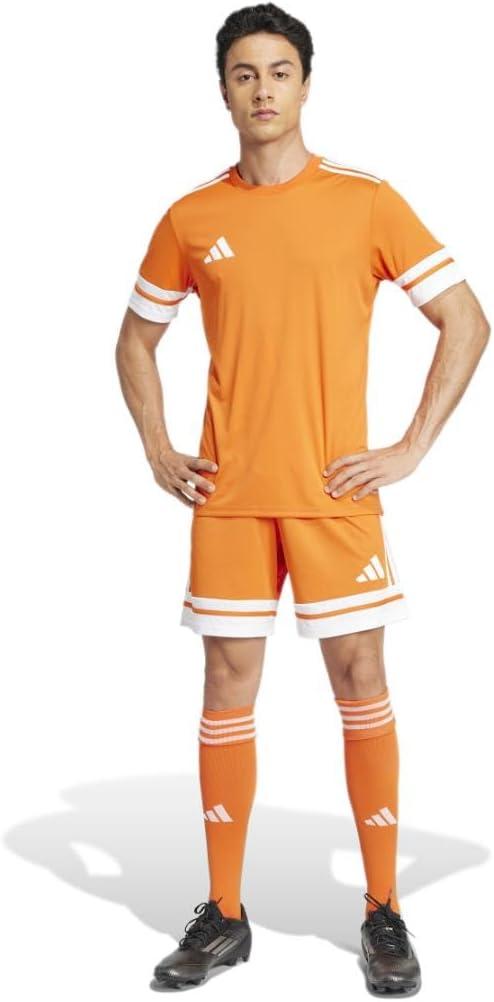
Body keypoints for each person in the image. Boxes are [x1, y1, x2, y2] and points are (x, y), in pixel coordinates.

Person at [115, 3, 490, 994]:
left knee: (360, 678)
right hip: (232, 498)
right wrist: (157, 447)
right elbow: (134, 339)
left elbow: (464, 318)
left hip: (333, 495)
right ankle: (224, 915)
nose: (263, 89)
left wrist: (409, 447)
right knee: (226, 686)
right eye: (244, 73)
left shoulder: (365, 202)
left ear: (306, 84)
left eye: (279, 71)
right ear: (223, 90)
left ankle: (382, 908)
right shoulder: (191, 217)